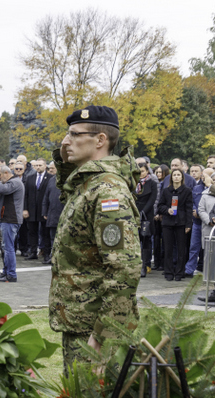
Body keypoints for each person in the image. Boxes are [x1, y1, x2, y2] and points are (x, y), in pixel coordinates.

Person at [48, 105, 140, 372]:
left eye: (75, 134)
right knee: (78, 396)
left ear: (100, 140)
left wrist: (103, 335)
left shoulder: (108, 191)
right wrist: (65, 160)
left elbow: (124, 268)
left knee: (94, 397)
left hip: (94, 328)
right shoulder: (89, 185)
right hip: (81, 322)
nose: (66, 141)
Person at [157, 169, 193, 281]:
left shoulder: (187, 191)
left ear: (182, 177)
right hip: (168, 222)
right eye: (174, 175)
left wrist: (188, 224)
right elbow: (160, 206)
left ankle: (179, 272)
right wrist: (167, 210)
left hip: (181, 222)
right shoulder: (166, 191)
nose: (176, 177)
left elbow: (189, 208)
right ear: (171, 177)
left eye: (178, 175)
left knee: (181, 249)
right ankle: (168, 271)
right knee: (168, 248)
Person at [0, 165, 24, 282]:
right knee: (6, 247)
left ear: (6, 173)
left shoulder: (15, 182)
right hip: (7, 219)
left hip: (10, 219)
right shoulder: (11, 182)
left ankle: (11, 274)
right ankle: (6, 271)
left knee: (8, 248)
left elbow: (2, 190)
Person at [134, 161, 158, 278]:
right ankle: (136, 265)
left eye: (143, 171)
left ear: (147, 171)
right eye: (138, 172)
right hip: (134, 213)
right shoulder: (133, 183)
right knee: (135, 239)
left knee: (146, 240)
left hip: (146, 215)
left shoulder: (152, 183)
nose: (141, 174)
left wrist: (143, 211)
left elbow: (152, 199)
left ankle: (145, 265)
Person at [186, 164, 206, 276]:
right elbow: (192, 201)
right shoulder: (196, 188)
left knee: (207, 249)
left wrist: (200, 213)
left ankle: (207, 270)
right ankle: (189, 270)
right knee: (193, 247)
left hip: (208, 223)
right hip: (197, 223)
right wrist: (195, 211)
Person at [41, 168, 63, 264]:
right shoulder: (52, 180)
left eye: (53, 168)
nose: (51, 170)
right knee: (52, 238)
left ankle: (60, 258)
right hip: (52, 214)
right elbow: (46, 197)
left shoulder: (68, 179)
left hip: (63, 214)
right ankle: (53, 257)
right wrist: (44, 212)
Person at [152, 164, 170, 271]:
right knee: (156, 239)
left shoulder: (166, 184)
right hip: (155, 215)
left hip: (163, 214)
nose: (158, 174)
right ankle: (156, 262)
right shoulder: (155, 183)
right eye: (157, 172)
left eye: (160, 172)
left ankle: (163, 263)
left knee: (164, 240)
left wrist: (160, 213)